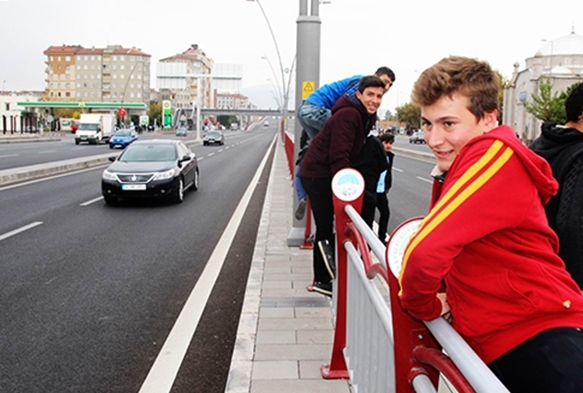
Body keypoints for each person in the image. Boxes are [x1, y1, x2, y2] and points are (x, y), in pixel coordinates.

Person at [397, 56, 583, 393]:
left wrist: (423, 305)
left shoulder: (493, 154)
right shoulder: (463, 164)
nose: (434, 138)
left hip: (541, 338)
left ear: (488, 118)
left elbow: (423, 251)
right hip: (516, 337)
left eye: (448, 124)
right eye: (427, 123)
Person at [299, 75, 386, 296]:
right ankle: (323, 279)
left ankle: (331, 273)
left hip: (323, 173)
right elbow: (339, 156)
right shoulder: (349, 115)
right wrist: (346, 191)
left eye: (379, 96)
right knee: (325, 225)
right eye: (370, 94)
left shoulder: (366, 116)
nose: (375, 100)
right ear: (359, 94)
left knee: (334, 222)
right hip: (317, 175)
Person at [294, 67, 396, 219]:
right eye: (385, 82)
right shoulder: (361, 82)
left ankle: (303, 195)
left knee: (316, 151)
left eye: (390, 85)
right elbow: (344, 106)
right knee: (341, 131)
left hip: (306, 109)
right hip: (314, 109)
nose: (386, 87)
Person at [529, 82, 583, 291]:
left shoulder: (540, 144)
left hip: (534, 260)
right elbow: (573, 224)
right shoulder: (579, 154)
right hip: (566, 275)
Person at [375, 132, 395, 244]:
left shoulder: (390, 157)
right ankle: (366, 242)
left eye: (391, 143)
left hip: (382, 191)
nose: (389, 146)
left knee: (385, 213)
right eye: (386, 143)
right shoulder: (375, 155)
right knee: (367, 217)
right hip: (372, 191)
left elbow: (388, 173)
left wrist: (387, 186)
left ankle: (381, 238)